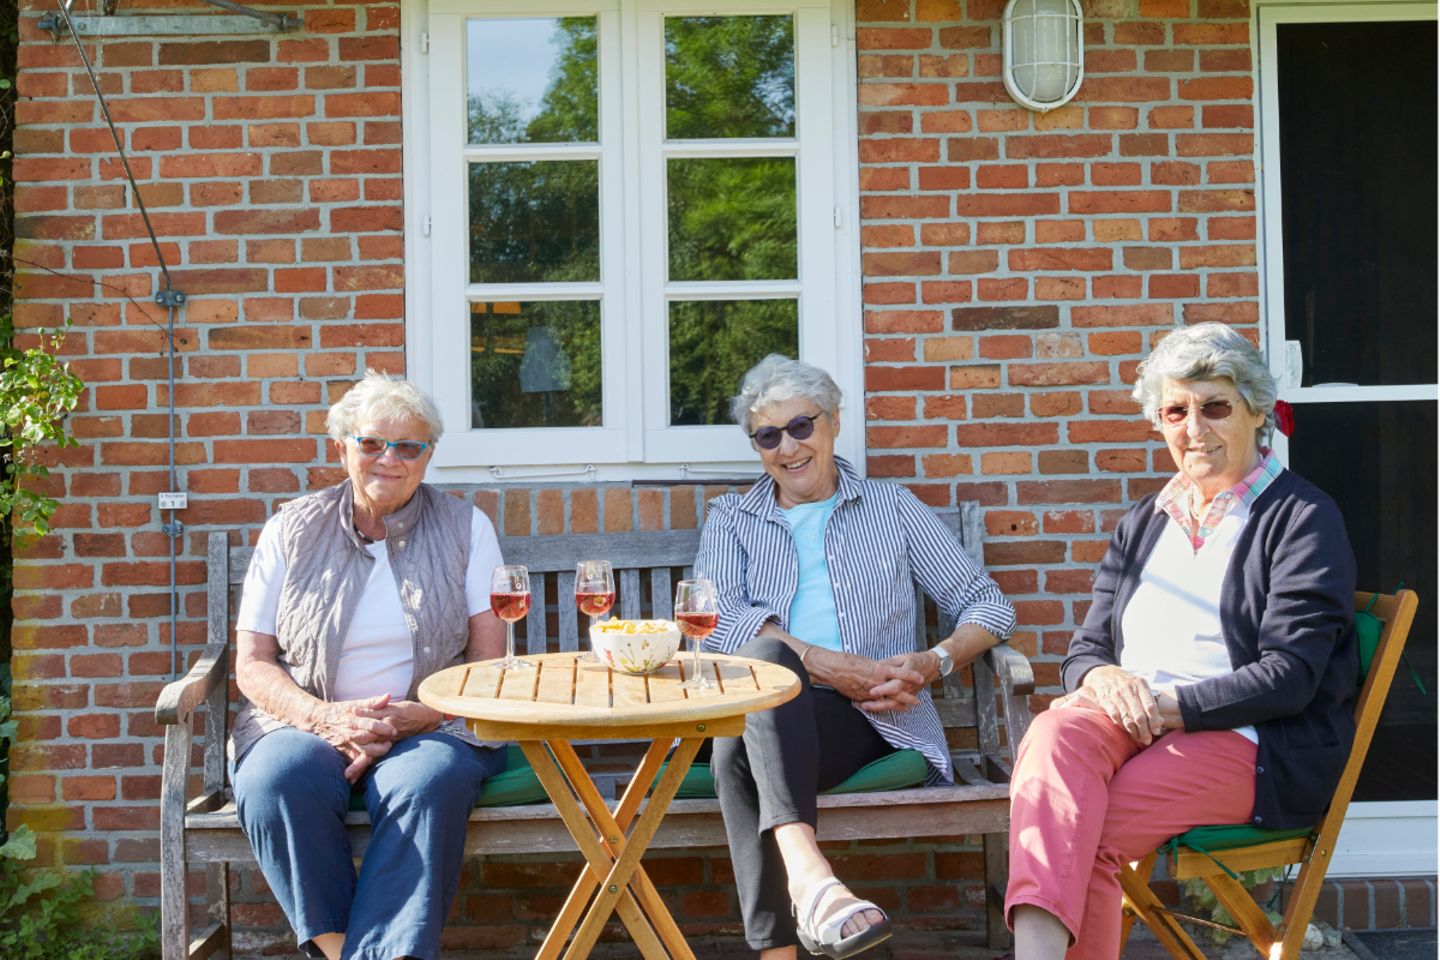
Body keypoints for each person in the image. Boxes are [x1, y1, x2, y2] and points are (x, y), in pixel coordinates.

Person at [1004, 323, 1358, 959]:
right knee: (1053, 734)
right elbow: (1086, 649)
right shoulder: (1145, 520)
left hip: (1253, 741)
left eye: (1215, 406)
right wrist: (1100, 679)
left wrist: (1167, 709)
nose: (1194, 429)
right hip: (1135, 721)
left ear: (1256, 412)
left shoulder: (1303, 519)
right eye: (1175, 411)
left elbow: (1290, 675)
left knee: (1084, 833)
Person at [695, 355, 1017, 960]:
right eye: (768, 436)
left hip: (869, 717)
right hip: (761, 700)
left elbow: (988, 606)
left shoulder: (891, 507)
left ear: (834, 422)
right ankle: (813, 879)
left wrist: (933, 661)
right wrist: (817, 661)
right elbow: (717, 626)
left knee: (734, 755)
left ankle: (786, 937)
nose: (788, 447)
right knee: (765, 664)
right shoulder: (731, 519)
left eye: (801, 426)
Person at [229, 372, 507, 960]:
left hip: (435, 723)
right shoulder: (291, 528)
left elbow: (488, 659)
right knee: (278, 778)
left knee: (425, 784)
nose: (390, 459)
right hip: (303, 721)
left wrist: (425, 713)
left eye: (408, 446)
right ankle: (341, 951)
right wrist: (322, 718)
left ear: (428, 455)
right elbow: (252, 663)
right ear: (342, 447)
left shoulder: (466, 528)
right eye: (373, 443)